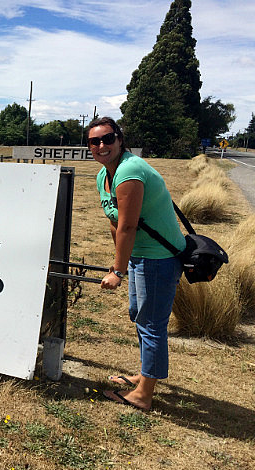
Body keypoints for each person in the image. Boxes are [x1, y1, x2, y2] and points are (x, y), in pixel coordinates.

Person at [88, 117, 185, 411]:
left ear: (120, 140)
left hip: (158, 257)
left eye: (108, 138)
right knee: (139, 315)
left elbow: (128, 225)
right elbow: (114, 220)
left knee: (151, 323)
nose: (101, 145)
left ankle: (143, 395)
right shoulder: (104, 174)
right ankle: (144, 376)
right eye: (94, 141)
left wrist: (118, 271)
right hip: (140, 255)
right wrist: (121, 261)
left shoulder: (129, 170)